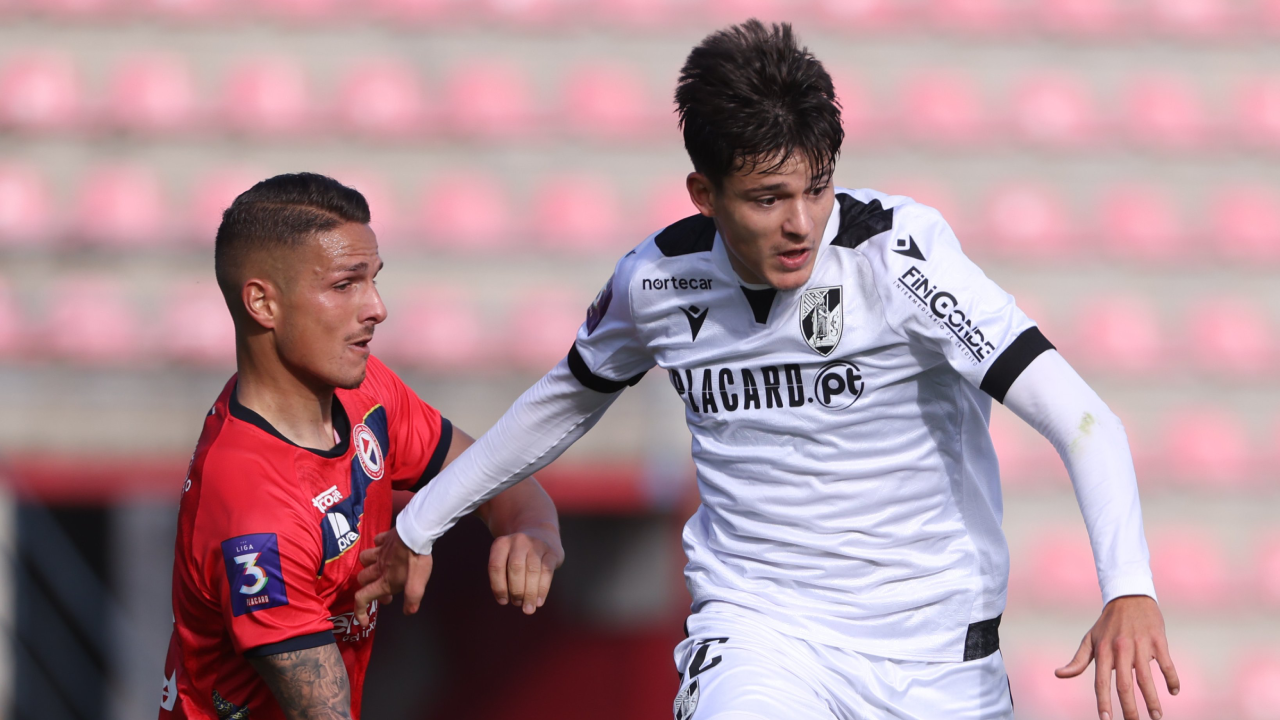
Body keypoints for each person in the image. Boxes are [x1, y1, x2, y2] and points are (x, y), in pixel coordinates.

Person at [357, 21, 1178, 720]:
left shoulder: (901, 261)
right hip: (764, 634)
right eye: (767, 198)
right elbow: (565, 400)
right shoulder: (657, 282)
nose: (801, 223)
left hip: (936, 657)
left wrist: (1128, 587)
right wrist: (421, 523)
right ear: (703, 193)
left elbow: (1084, 421)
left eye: (817, 189)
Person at [159, 172, 564, 720]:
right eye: (345, 285)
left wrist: (529, 529)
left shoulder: (367, 393)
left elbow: (497, 479)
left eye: (373, 280)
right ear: (262, 303)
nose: (377, 307)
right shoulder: (254, 510)